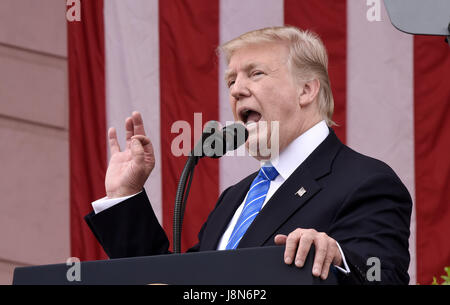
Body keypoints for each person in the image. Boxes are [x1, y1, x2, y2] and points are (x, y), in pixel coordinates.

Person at [84, 26, 412, 284]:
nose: (236, 89)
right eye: (231, 80)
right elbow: (172, 284)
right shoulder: (234, 199)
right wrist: (124, 196)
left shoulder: (365, 181)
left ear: (306, 90)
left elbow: (383, 276)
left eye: (255, 74)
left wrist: (336, 257)